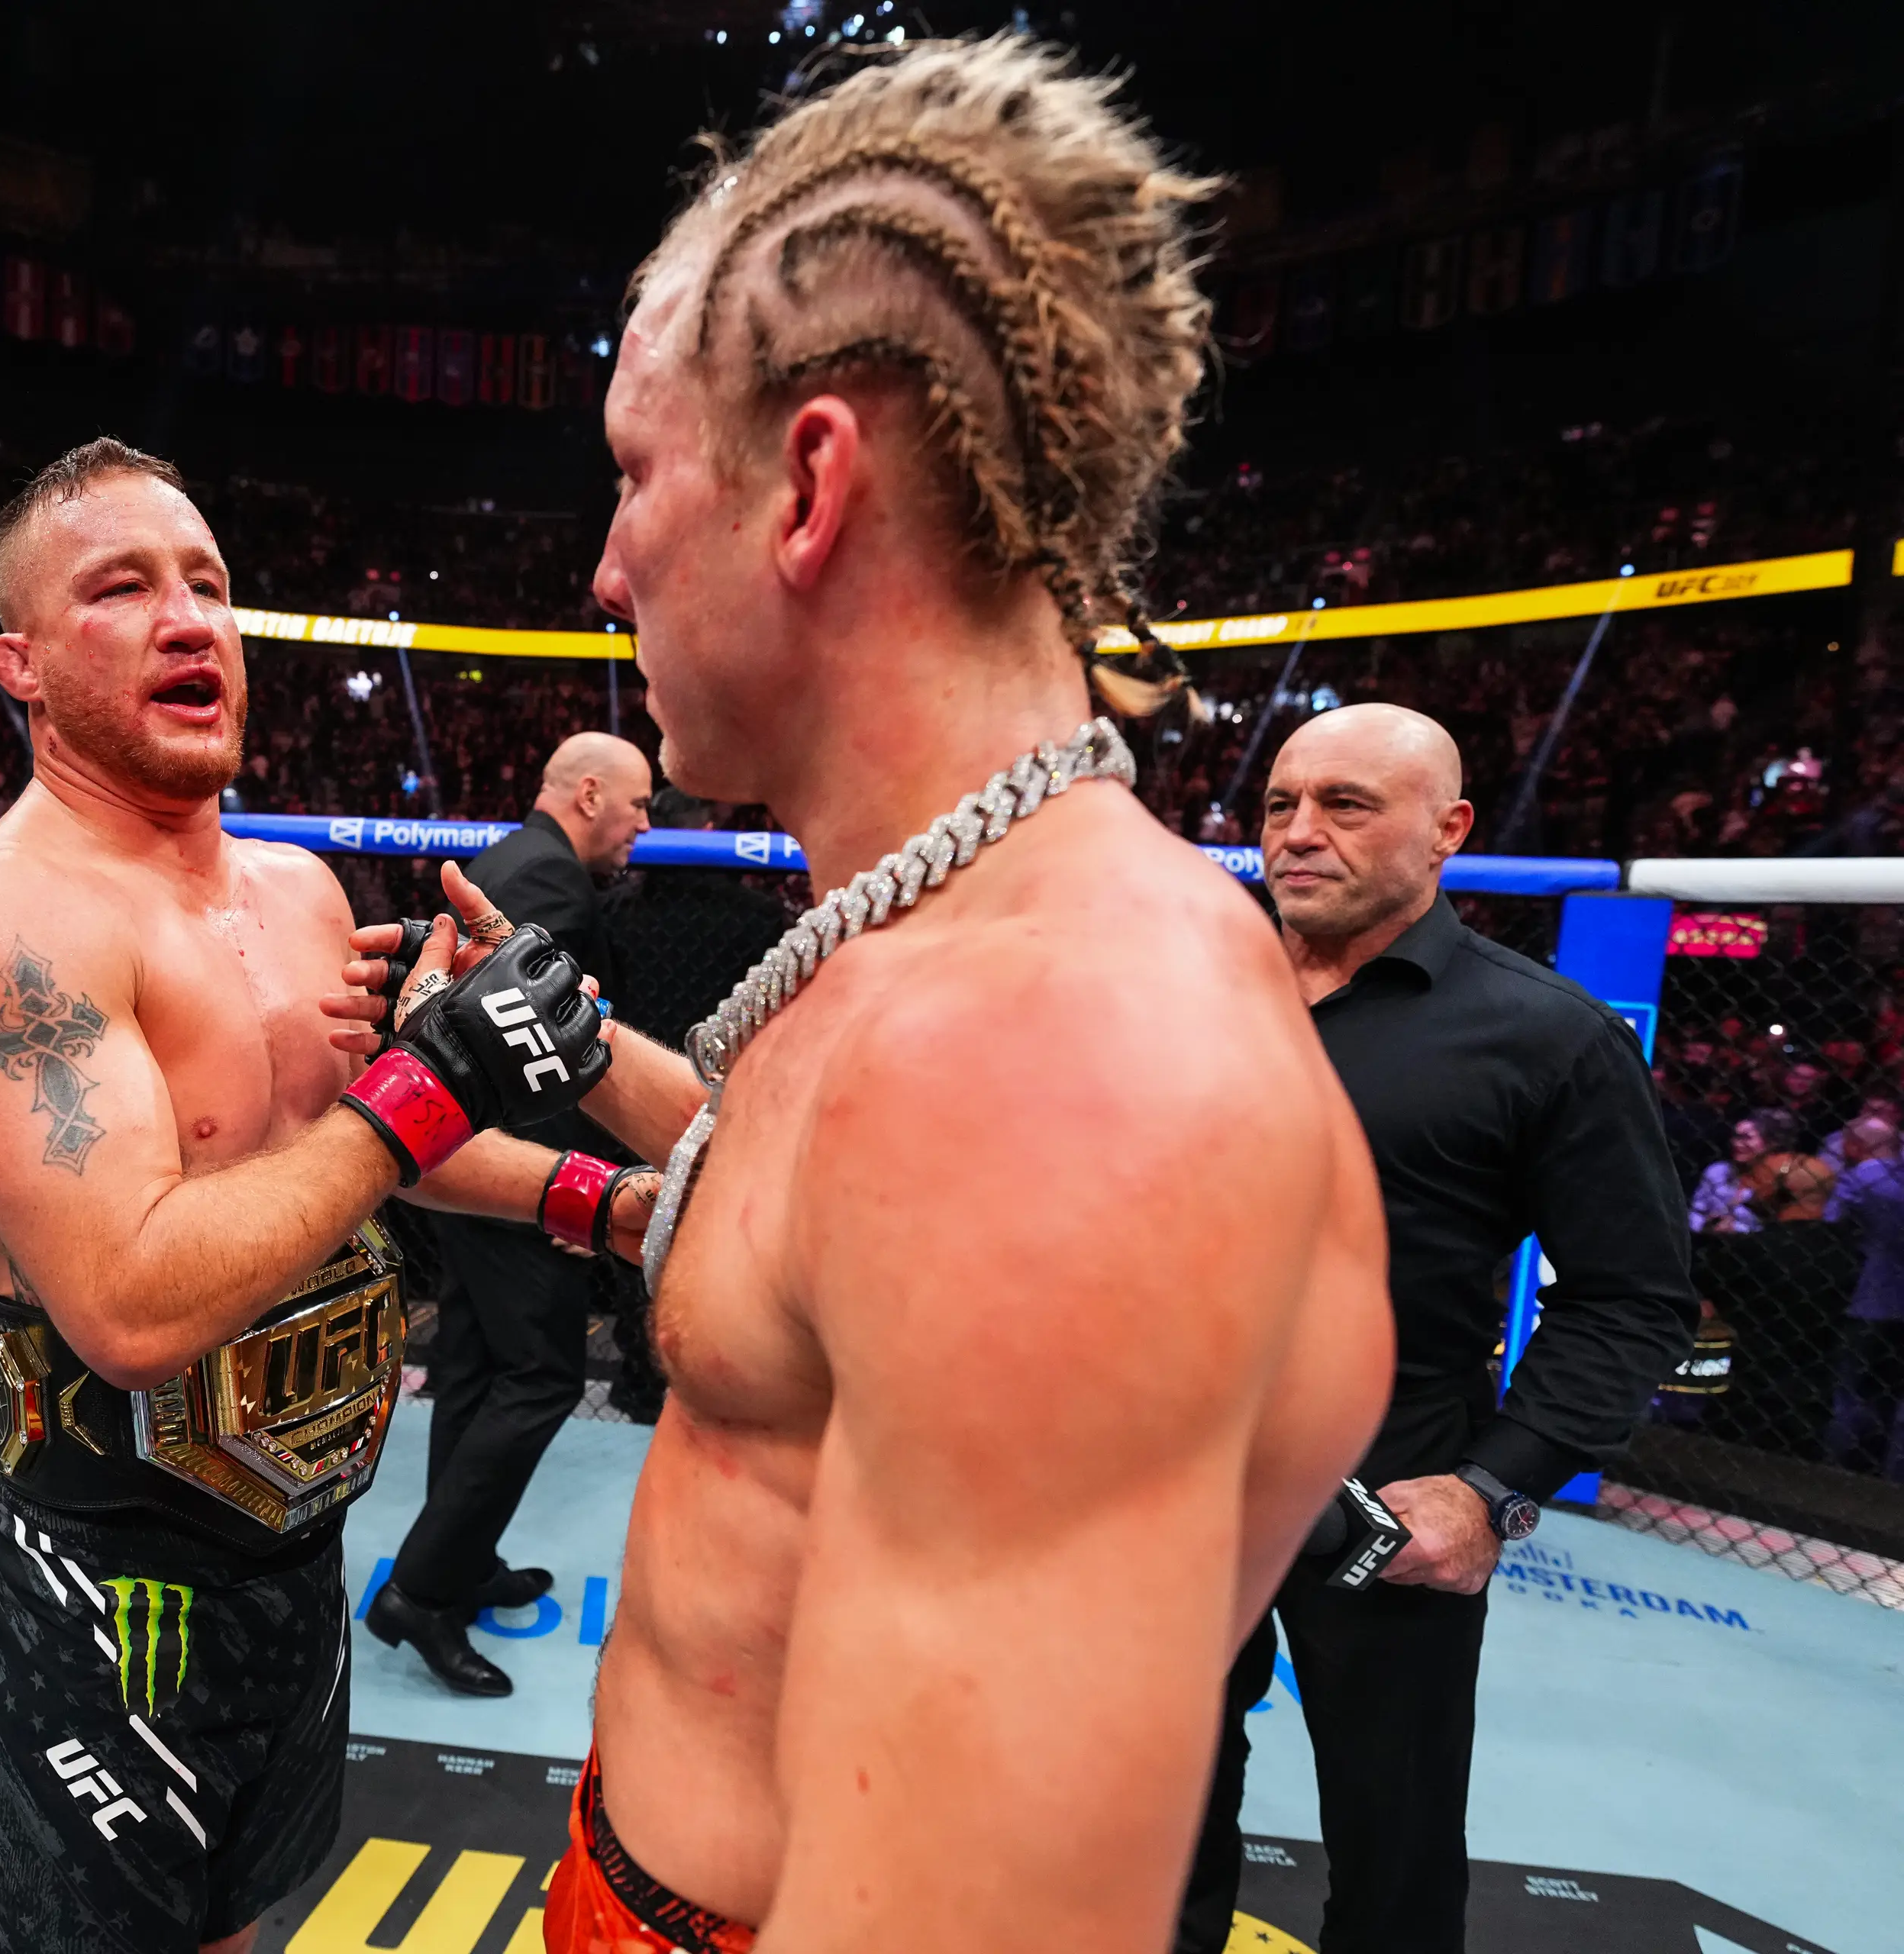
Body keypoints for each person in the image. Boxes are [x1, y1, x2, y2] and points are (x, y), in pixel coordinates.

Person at [537, 38, 1396, 1953]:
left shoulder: (1045, 1062)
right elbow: (803, 1250)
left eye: (631, 474)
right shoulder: (924, 955)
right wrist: (546, 1122)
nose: (603, 568)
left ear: (806, 487)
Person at [0, 438, 634, 1954]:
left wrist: (602, 1202)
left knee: (252, 1930)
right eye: (124, 588)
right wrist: (432, 1080)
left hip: (299, 1544)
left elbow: (333, 1164)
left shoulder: (293, 888)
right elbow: (132, 1299)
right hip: (111, 1578)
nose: (189, 619)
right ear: (20, 664)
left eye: (210, 585)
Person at [1176, 703, 1702, 1954]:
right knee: (1156, 1808)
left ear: (1446, 830)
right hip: (1171, 1481)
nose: (1298, 835)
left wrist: (1489, 1492)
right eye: (1279, 808)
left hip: (1386, 1490)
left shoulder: (1547, 1037)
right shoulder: (1184, 991)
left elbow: (1635, 1298)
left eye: (1346, 806)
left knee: (1395, 1832)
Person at [366, 729, 651, 1694]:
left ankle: (462, 1560)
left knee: (477, 1363)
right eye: (637, 804)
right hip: (507, 1171)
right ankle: (425, 1588)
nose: (645, 825)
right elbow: (527, 1057)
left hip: (470, 1158)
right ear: (586, 794)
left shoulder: (520, 864)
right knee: (538, 1375)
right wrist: (565, 1193)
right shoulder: (548, 882)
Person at [601, 785, 795, 1053]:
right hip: (725, 1054)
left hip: (638, 1052)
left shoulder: (614, 908)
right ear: (709, 830)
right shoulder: (759, 913)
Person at [1823, 1116, 1904, 1479]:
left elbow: (1830, 1225)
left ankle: (1839, 1473)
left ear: (1855, 1145)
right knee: (1894, 1397)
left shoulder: (1857, 1180)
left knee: (1853, 1393)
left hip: (1867, 1296)